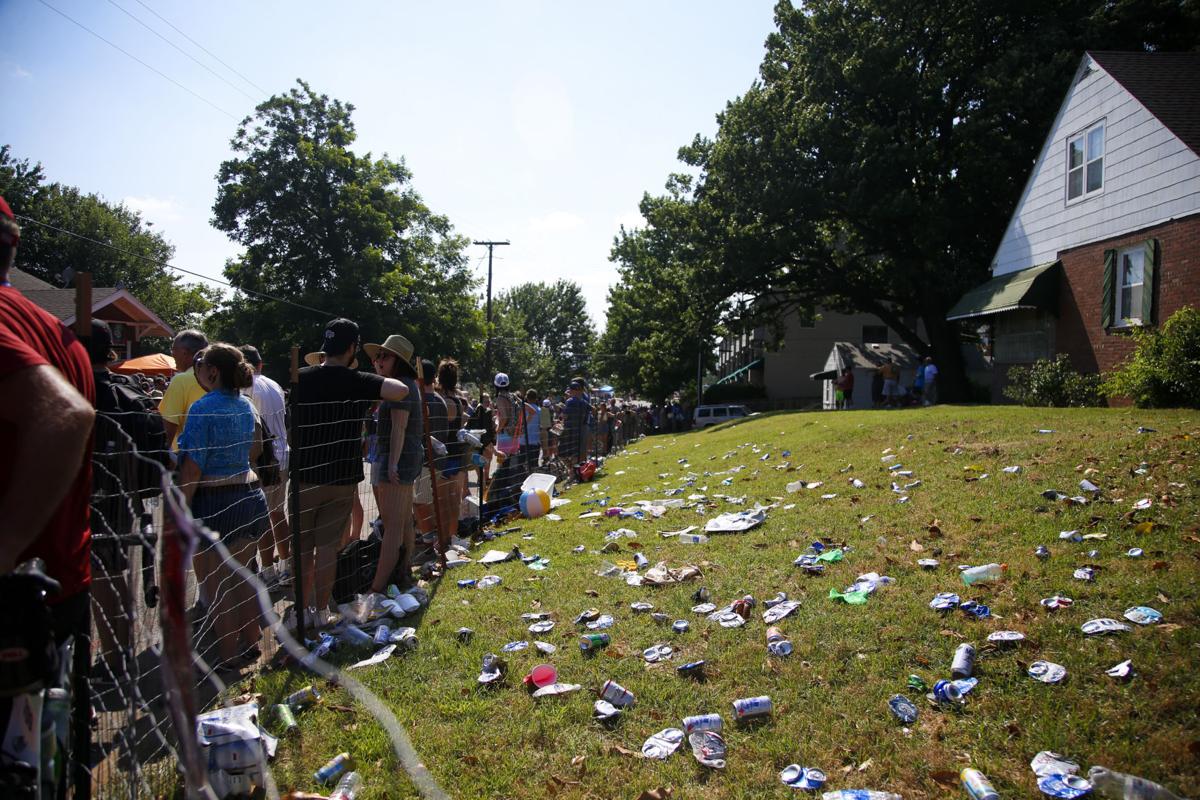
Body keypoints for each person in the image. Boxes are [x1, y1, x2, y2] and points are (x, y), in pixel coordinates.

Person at [0, 196, 96, 797]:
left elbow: (65, 416)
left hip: (15, 604)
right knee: (52, 771)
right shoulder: (58, 334)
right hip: (59, 591)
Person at [292, 319, 408, 629]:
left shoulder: (300, 378)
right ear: (352, 348)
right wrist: (362, 377)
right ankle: (319, 611)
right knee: (329, 547)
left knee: (302, 548)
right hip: (342, 478)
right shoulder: (357, 380)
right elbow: (400, 389)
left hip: (305, 474)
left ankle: (300, 613)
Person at [177, 344, 268, 669]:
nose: (196, 368)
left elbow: (192, 467)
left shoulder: (203, 409)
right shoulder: (245, 406)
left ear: (213, 372)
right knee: (243, 576)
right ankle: (252, 641)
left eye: (199, 363)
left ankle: (228, 655)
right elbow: (255, 447)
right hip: (248, 495)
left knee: (216, 586)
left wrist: (181, 511)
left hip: (213, 500)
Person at [363, 335, 420, 592]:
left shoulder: (402, 386)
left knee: (393, 529)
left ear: (398, 360)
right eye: (377, 356)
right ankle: (404, 573)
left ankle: (377, 588)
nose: (378, 360)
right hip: (403, 460)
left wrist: (393, 464)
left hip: (399, 462)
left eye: (384, 356)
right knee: (404, 522)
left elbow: (400, 427)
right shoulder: (404, 384)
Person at [240, 345, 291, 587]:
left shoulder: (247, 387)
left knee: (261, 517)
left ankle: (269, 569)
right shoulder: (274, 384)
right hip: (282, 454)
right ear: (261, 364)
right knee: (277, 513)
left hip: (264, 459)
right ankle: (286, 563)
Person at [413, 358, 448, 557]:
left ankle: (429, 542)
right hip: (435, 460)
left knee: (420, 501)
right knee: (426, 501)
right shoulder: (439, 400)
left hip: (427, 461)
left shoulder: (423, 401)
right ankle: (430, 537)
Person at [159, 329, 209, 453]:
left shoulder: (180, 380)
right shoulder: (216, 377)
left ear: (184, 352)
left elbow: (168, 428)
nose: (172, 354)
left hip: (186, 459)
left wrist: (162, 461)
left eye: (173, 349)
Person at [437, 359, 468, 546]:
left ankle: (444, 538)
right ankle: (452, 535)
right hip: (457, 453)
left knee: (443, 500)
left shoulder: (442, 401)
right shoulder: (459, 402)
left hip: (444, 455)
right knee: (454, 499)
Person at [562, 379, 590, 465]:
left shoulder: (570, 401)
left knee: (565, 452)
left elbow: (565, 416)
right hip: (581, 426)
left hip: (571, 429)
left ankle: (573, 471)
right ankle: (579, 469)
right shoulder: (585, 400)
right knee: (578, 451)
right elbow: (592, 409)